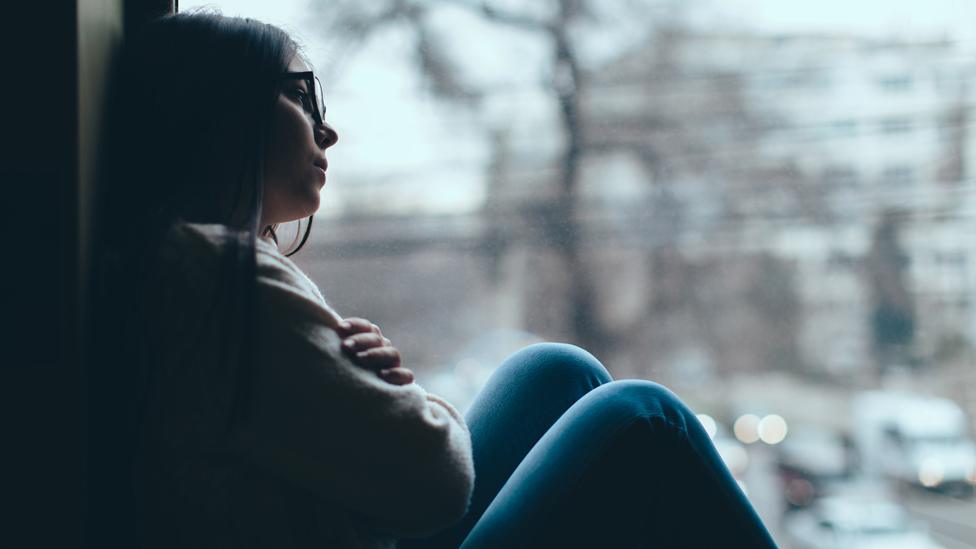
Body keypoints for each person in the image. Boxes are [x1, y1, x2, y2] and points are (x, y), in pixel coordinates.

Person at [88, 11, 778, 549]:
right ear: (222, 110)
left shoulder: (173, 266)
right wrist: (400, 393)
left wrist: (372, 402)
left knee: (554, 370)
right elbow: (436, 483)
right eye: (300, 97)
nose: (327, 134)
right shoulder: (224, 279)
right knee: (645, 418)